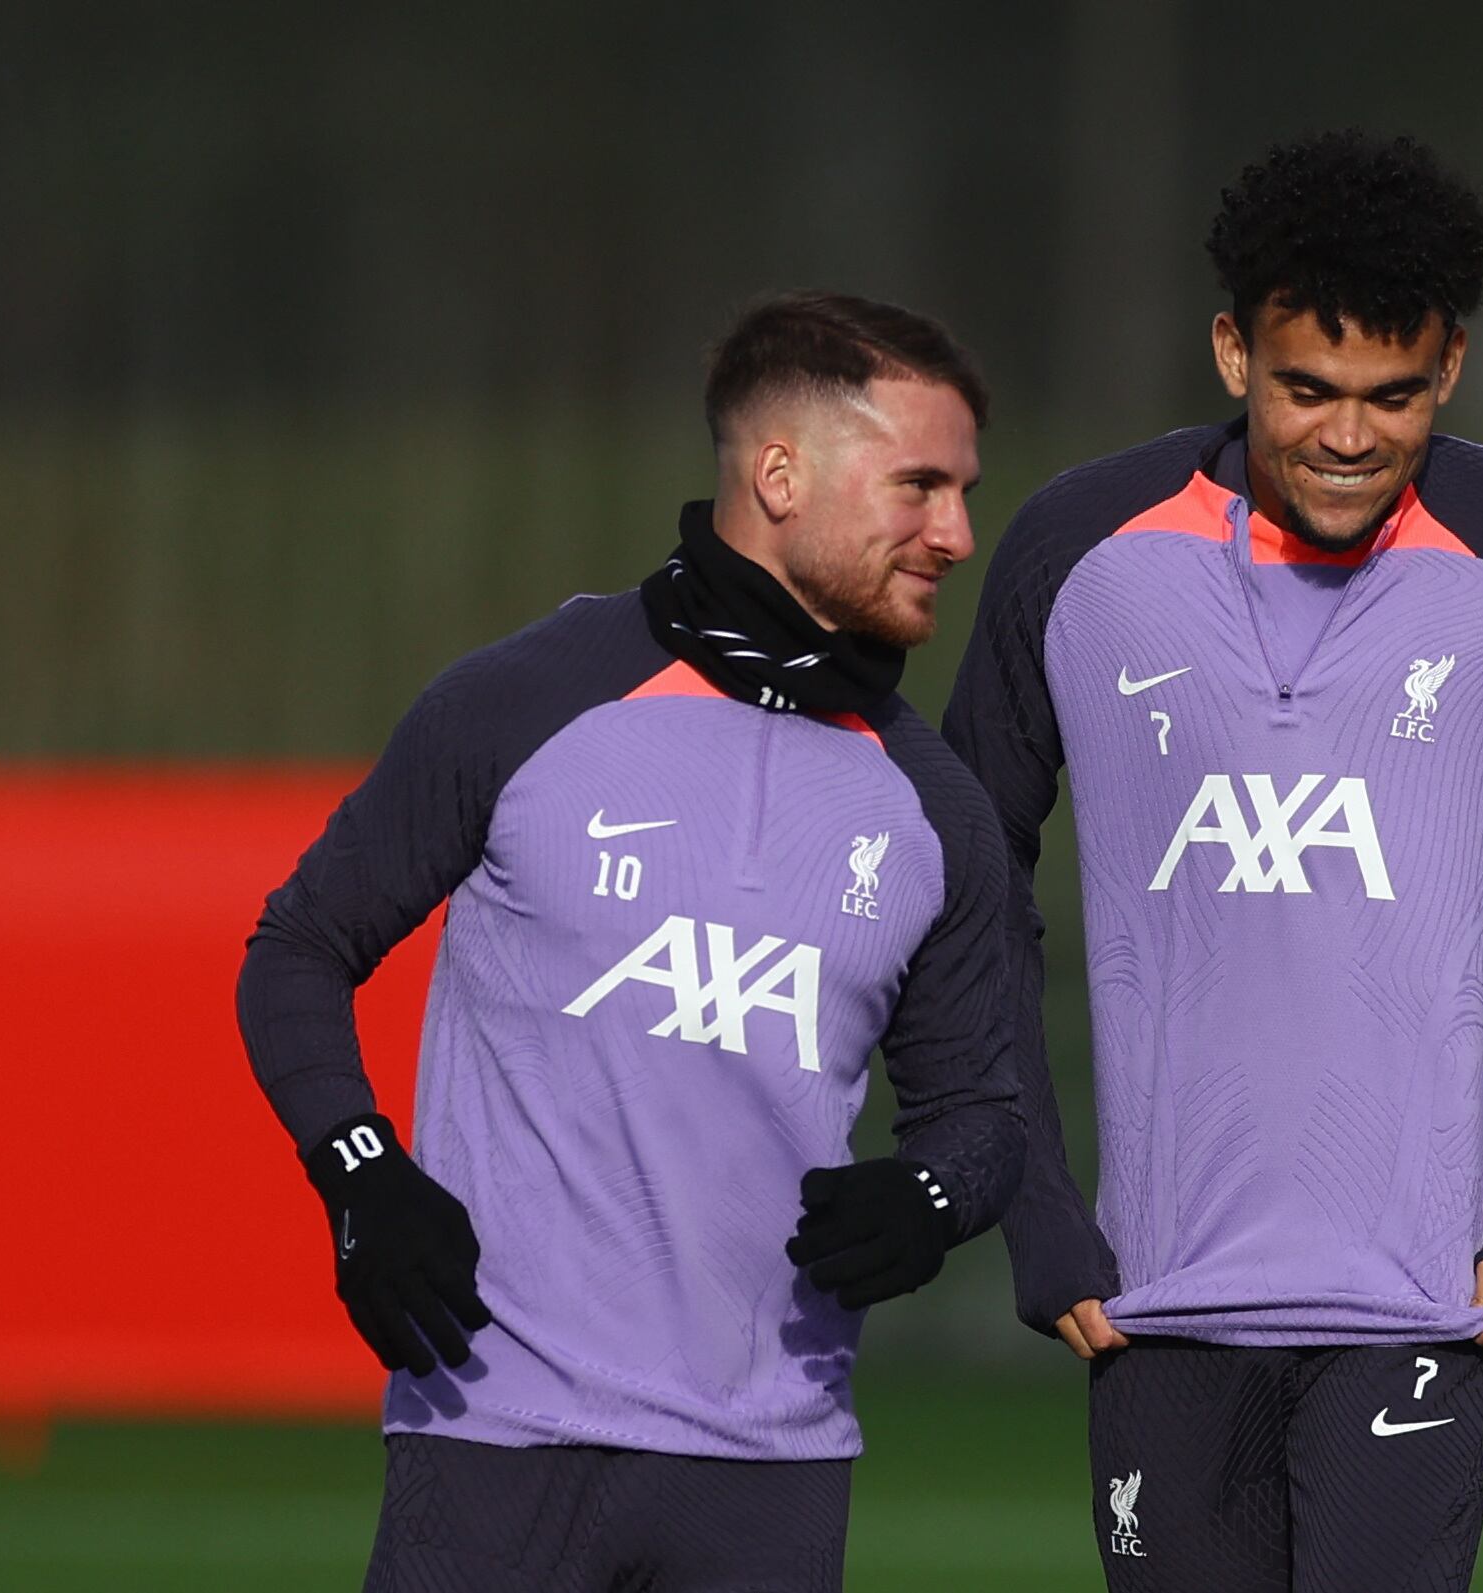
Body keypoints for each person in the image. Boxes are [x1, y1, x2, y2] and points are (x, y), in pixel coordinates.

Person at [944, 131, 1483, 1591]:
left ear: (1449, 368)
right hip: (1157, 1308)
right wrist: (1025, 1199)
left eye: (1391, 396)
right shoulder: (1074, 551)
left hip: (1421, 1303)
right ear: (1231, 350)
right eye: (1308, 390)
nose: (1348, 434)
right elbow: (960, 883)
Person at [238, 291, 1025, 1592]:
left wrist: (930, 1196)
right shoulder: (528, 698)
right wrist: (362, 1175)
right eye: (919, 485)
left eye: (963, 491)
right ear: (780, 473)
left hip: (773, 1473)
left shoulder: (937, 810)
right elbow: (298, 947)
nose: (954, 533)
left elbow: (983, 1114)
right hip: (494, 1441)